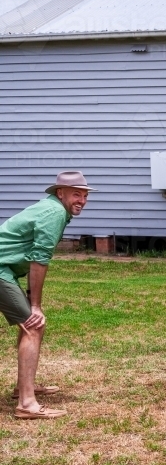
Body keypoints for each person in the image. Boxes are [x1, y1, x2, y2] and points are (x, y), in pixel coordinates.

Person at [0, 171, 95, 418]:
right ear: (60, 193)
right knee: (33, 326)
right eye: (77, 194)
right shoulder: (54, 212)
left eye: (85, 195)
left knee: (28, 325)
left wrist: (32, 302)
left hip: (5, 269)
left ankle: (23, 387)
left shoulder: (52, 208)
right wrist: (36, 306)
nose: (82, 200)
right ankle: (26, 404)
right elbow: (39, 260)